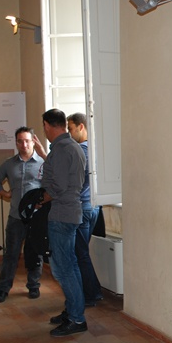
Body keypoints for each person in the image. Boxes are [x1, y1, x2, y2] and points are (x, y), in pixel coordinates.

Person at [38, 108, 88, 337]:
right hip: (72, 211)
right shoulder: (74, 147)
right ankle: (73, 310)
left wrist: (39, 201)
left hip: (62, 214)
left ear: (47, 126)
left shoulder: (61, 150)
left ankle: (77, 318)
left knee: (63, 269)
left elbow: (57, 187)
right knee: (71, 266)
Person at [0, 126, 44, 303]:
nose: (24, 144)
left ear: (33, 141)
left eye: (27, 141)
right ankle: (3, 289)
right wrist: (4, 193)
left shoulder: (43, 162)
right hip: (16, 218)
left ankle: (34, 286)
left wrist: (43, 201)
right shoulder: (9, 164)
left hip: (36, 218)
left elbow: (52, 185)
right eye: (20, 141)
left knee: (35, 253)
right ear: (16, 143)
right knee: (11, 254)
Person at [67, 113, 104, 306]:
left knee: (79, 253)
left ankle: (91, 294)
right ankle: (93, 291)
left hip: (83, 207)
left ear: (81, 127)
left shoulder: (81, 150)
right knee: (81, 252)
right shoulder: (95, 148)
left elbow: (73, 180)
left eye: (70, 129)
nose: (69, 133)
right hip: (94, 206)